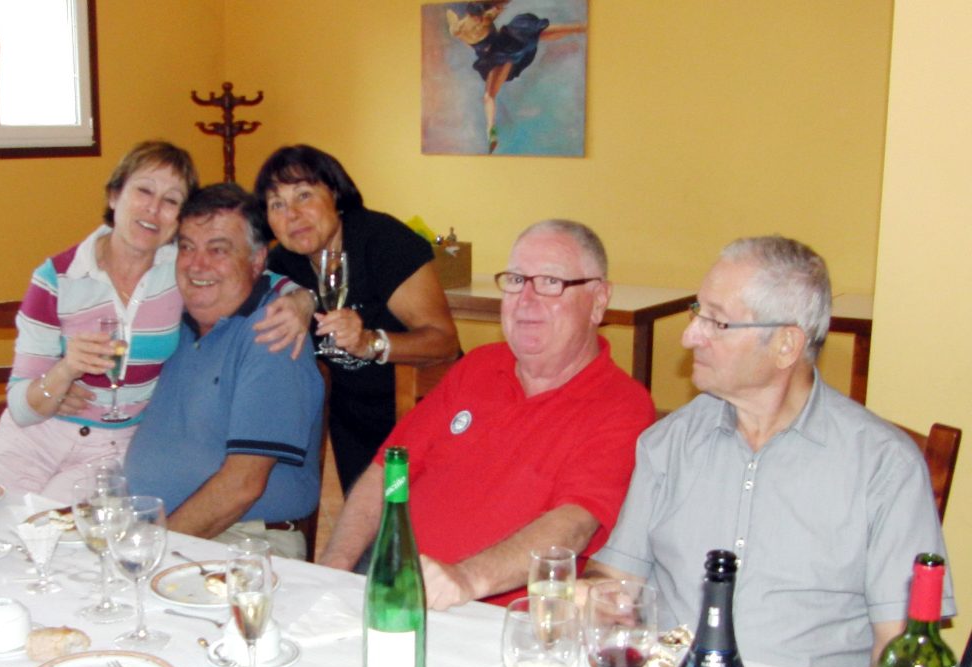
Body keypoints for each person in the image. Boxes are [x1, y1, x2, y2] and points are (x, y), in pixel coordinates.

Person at [583, 235, 954, 667]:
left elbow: (900, 654)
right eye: (697, 312)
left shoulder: (884, 467)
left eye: (716, 321)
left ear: (785, 345)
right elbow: (614, 578)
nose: (689, 336)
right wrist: (593, 597)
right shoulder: (669, 443)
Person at [320, 219, 655, 609]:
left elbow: (574, 524)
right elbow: (387, 471)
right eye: (516, 280)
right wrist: (332, 569)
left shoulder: (621, 406)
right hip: (397, 589)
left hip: (497, 617)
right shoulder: (478, 367)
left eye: (550, 282)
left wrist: (466, 579)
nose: (526, 300)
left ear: (598, 300)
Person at [0, 141, 305, 501]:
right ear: (114, 195)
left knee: (58, 529)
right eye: (144, 191)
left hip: (108, 451)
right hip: (34, 436)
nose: (154, 208)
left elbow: (255, 276)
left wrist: (303, 301)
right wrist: (64, 372)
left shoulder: (183, 270)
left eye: (171, 200)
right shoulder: (57, 278)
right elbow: (21, 408)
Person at [124, 183, 324, 559]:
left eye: (218, 250)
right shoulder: (169, 323)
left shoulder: (272, 333)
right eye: (187, 247)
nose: (196, 265)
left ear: (257, 260)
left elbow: (243, 485)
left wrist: (150, 550)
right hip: (158, 530)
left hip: (241, 541)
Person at [254, 144, 460, 494]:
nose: (292, 215)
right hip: (353, 420)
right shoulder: (284, 264)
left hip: (427, 416)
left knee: (420, 520)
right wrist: (302, 298)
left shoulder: (383, 241)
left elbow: (444, 342)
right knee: (366, 523)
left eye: (304, 195)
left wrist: (370, 342)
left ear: (335, 194)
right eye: (277, 204)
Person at [445, 1, 586, 153]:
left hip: (500, 51)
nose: (478, 21)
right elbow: (486, 14)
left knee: (489, 96)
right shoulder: (484, 19)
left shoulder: (460, 28)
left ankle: (491, 129)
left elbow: (454, 21)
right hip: (504, 50)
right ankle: (491, 130)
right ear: (474, 15)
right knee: (536, 34)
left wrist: (457, 21)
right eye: (477, 18)